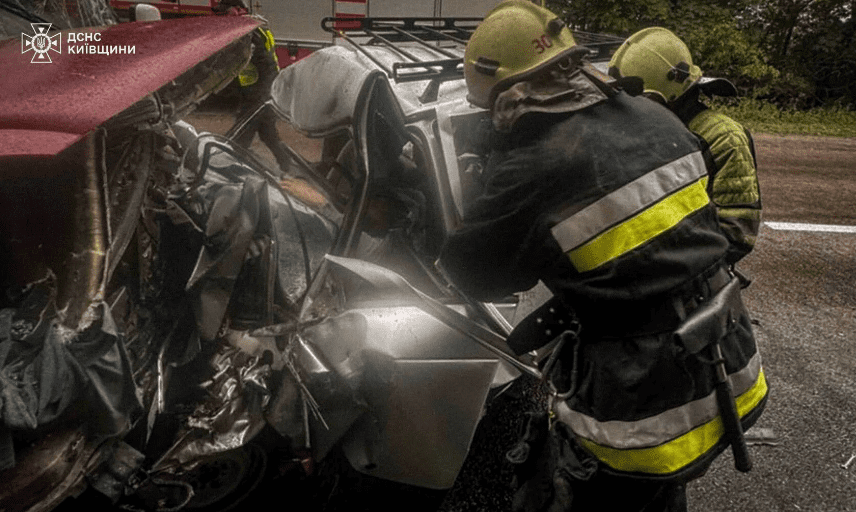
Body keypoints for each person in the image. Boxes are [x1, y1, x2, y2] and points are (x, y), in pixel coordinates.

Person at [437, 1, 768, 511]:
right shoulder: (656, 116)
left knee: (587, 492)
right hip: (726, 366)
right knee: (659, 493)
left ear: (503, 94)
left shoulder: (534, 167)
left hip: (641, 412)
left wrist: (489, 184)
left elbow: (475, 275)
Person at [608, 27, 762, 266]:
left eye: (642, 102)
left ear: (668, 93)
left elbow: (737, 235)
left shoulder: (724, 137)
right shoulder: (646, 131)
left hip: (693, 278)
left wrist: (661, 261)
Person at [215, 0, 293, 173]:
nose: (224, 17)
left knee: (241, 134)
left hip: (260, 92)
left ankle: (230, 169)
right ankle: (288, 167)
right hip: (258, 90)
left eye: (226, 12)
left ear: (239, 10)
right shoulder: (250, 28)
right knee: (268, 135)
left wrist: (260, 95)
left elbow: (264, 63)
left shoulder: (251, 31)